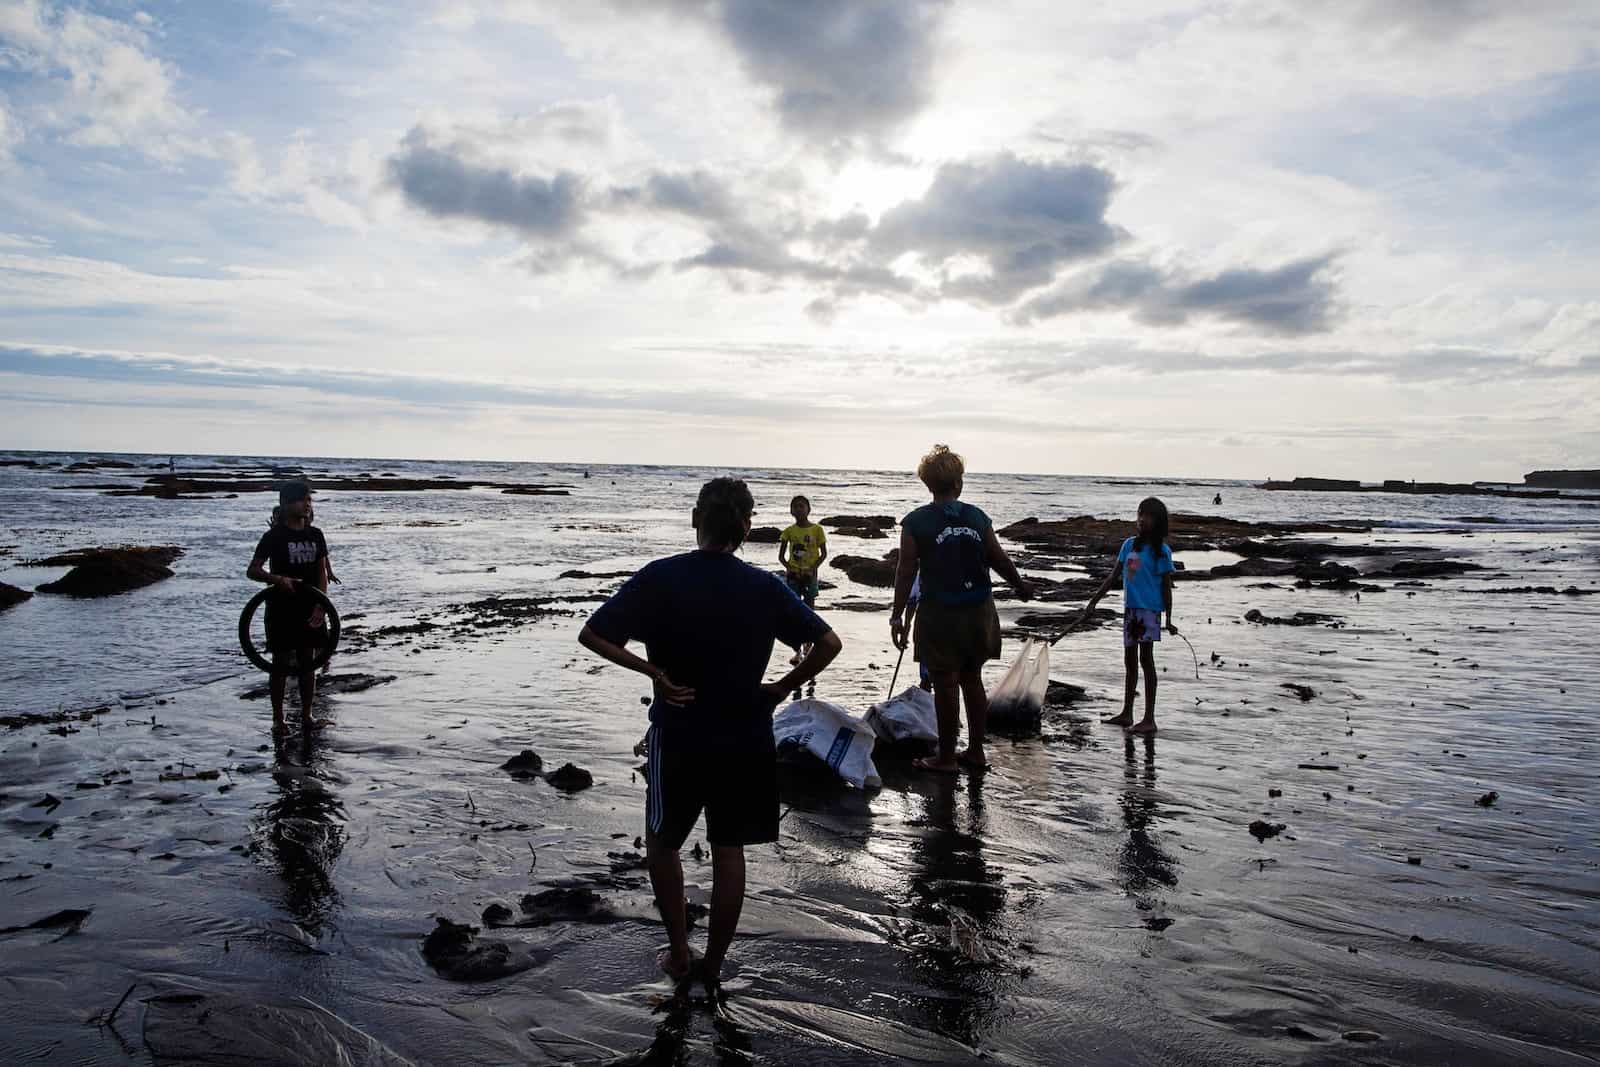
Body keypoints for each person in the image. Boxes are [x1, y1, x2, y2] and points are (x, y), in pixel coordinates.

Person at [578, 477, 842, 998]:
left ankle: (679, 953)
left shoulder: (660, 577)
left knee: (663, 843)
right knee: (728, 850)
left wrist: (653, 672)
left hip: (679, 734)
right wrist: (776, 691)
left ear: (696, 519)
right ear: (746, 527)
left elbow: (594, 634)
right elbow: (828, 642)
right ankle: (714, 966)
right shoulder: (764, 586)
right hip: (744, 735)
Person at [890, 445, 1032, 773]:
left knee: (945, 683)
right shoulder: (977, 517)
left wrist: (897, 614)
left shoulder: (915, 522)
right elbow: (998, 558)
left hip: (940, 613)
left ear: (928, 484)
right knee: (972, 680)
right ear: (959, 483)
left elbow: (905, 570)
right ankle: (976, 752)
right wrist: (1020, 585)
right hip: (979, 611)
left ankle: (946, 756)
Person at [1076, 497, 1176, 735]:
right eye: (1139, 514)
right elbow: (1113, 577)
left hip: (1149, 611)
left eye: (1148, 516)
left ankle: (1149, 718)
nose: (1141, 519)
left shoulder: (1162, 552)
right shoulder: (1129, 545)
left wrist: (1169, 619)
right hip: (1131, 610)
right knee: (1130, 662)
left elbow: (1166, 586)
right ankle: (1127, 713)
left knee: (1146, 661)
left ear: (1158, 520)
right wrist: (1093, 601)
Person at [246, 481, 331, 732]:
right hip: (281, 608)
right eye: (301, 499)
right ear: (285, 504)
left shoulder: (315, 535)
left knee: (308, 663)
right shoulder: (274, 537)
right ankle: (278, 720)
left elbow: (321, 574)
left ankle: (307, 716)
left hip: (310, 607)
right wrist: (277, 580)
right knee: (280, 665)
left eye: (309, 500)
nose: (307, 504)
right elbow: (253, 570)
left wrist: (321, 606)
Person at [777, 495, 827, 608]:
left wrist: (812, 568)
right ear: (791, 511)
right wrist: (789, 568)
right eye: (795, 507)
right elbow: (781, 557)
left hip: (810, 574)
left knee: (810, 604)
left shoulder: (817, 530)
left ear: (808, 510)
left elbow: (823, 554)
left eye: (801, 506)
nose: (798, 509)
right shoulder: (788, 531)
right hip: (793, 575)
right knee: (793, 605)